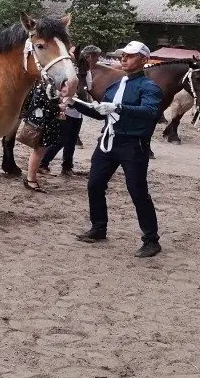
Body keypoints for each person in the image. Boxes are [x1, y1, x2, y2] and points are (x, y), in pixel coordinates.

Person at [68, 40, 163, 258]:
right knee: (94, 184)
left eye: (130, 55)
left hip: (133, 145)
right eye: (123, 55)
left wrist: (118, 107)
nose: (124, 58)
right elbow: (101, 112)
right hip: (108, 141)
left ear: (144, 60)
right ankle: (98, 227)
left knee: (138, 192)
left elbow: (150, 111)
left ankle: (151, 239)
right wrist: (73, 103)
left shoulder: (149, 87)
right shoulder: (116, 86)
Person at [39, 45, 102, 175]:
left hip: (78, 111)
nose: (97, 61)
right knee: (61, 140)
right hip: (67, 109)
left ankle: (67, 166)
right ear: (89, 57)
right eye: (96, 58)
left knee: (72, 141)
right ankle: (43, 163)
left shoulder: (86, 72)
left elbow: (88, 89)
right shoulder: (73, 71)